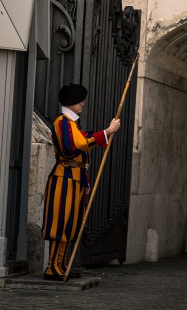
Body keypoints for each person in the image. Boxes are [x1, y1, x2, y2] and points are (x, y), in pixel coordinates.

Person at [41, 83, 121, 280]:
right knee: (60, 223)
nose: (83, 104)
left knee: (71, 223)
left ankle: (61, 263)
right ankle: (52, 266)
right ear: (72, 102)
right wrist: (107, 132)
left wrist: (102, 134)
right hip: (64, 178)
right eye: (80, 100)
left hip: (76, 179)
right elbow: (77, 145)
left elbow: (84, 138)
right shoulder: (63, 122)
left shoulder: (72, 124)